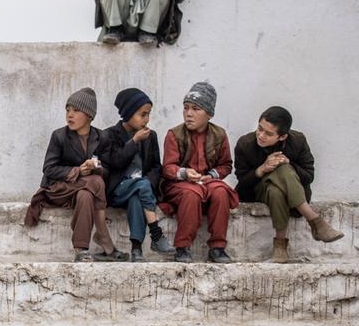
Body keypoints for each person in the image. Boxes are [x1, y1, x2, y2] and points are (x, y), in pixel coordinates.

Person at [24, 88, 126, 262]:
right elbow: (49, 169)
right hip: (59, 189)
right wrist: (78, 171)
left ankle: (81, 249)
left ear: (89, 115)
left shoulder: (102, 137)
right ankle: (104, 236)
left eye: (76, 110)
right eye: (67, 109)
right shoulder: (59, 136)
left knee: (86, 195)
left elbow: (107, 170)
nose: (69, 115)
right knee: (95, 181)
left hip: (84, 191)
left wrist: (96, 167)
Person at [233, 106, 343, 262]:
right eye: (260, 128)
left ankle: (280, 246)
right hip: (258, 191)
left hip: (291, 192)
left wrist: (289, 163)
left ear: (283, 136)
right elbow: (242, 184)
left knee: (278, 184)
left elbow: (308, 176)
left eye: (269, 134)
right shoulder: (245, 144)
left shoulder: (298, 141)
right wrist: (262, 169)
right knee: (278, 176)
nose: (261, 135)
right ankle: (315, 221)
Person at [160, 82, 238, 263]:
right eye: (186, 108)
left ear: (209, 114)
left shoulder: (219, 135)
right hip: (180, 185)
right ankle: (182, 247)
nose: (189, 113)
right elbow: (168, 168)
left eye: (196, 109)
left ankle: (217, 247)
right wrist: (185, 172)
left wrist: (211, 175)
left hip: (207, 182)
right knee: (191, 193)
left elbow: (226, 165)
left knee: (220, 192)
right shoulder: (175, 134)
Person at [97, 87, 175, 261]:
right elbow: (115, 162)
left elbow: (156, 166)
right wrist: (134, 142)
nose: (146, 119)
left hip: (140, 190)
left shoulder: (151, 136)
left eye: (148, 114)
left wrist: (148, 182)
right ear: (128, 113)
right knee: (142, 186)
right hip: (117, 190)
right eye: (142, 114)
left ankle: (137, 250)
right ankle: (156, 234)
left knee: (138, 195)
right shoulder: (109, 135)